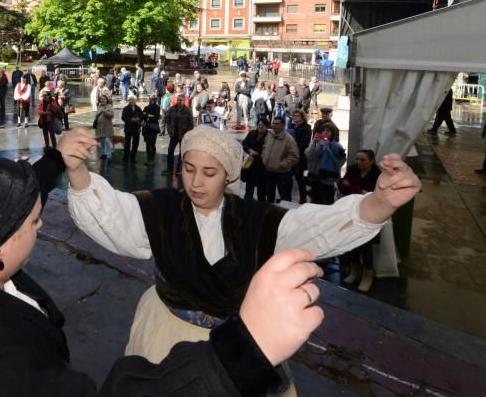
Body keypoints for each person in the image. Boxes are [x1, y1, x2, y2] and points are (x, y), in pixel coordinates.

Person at [0, 145, 323, 397]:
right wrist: (240, 356)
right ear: (0, 237)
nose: (38, 230)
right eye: (35, 223)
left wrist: (56, 158)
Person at [66, 126, 422, 378]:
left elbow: (315, 229)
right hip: (165, 336)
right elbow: (113, 216)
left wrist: (378, 203)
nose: (196, 181)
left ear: (229, 176)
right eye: (189, 169)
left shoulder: (256, 219)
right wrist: (77, 170)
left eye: (209, 172)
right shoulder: (160, 208)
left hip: (237, 344)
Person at [337, 150, 381, 293]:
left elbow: (374, 195)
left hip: (369, 214)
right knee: (353, 242)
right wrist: (359, 190)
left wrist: (353, 188)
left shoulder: (378, 175)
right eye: (358, 159)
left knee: (366, 246)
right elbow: (342, 185)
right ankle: (354, 272)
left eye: (363, 160)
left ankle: (368, 276)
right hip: (352, 211)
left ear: (372, 161)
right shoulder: (352, 169)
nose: (359, 162)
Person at [260, 116, 299, 203]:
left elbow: (294, 157)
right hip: (269, 171)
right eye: (273, 123)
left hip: (282, 174)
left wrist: (282, 165)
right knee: (269, 196)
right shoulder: (270, 135)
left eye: (277, 124)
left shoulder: (289, 140)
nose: (274, 125)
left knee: (285, 198)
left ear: (283, 125)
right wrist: (264, 157)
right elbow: (265, 147)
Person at [304, 131, 347, 205]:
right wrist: (313, 143)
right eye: (322, 131)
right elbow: (308, 155)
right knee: (315, 200)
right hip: (315, 176)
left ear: (333, 133)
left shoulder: (337, 146)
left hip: (329, 179)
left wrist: (328, 147)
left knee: (327, 201)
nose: (324, 133)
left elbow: (340, 162)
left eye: (327, 131)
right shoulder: (318, 144)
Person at [164, 93, 194, 173]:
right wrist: (169, 131)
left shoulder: (187, 110)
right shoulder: (172, 109)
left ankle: (179, 169)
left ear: (183, 101)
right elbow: (168, 120)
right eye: (177, 100)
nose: (178, 102)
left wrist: (188, 134)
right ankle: (169, 169)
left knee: (182, 152)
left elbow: (191, 124)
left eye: (180, 100)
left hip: (183, 134)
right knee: (170, 150)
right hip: (174, 134)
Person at [241, 120, 269, 202]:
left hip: (262, 166)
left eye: (263, 125)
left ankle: (261, 207)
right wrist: (249, 150)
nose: (260, 127)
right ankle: (247, 205)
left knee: (261, 190)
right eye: (259, 125)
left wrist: (259, 154)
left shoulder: (269, 136)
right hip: (250, 164)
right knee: (249, 188)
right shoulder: (252, 133)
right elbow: (244, 143)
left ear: (267, 127)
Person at [288, 110, 312, 204]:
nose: (295, 117)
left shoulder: (306, 128)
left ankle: (303, 199)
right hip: (292, 157)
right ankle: (288, 198)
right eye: (294, 115)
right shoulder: (293, 127)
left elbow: (304, 144)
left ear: (302, 117)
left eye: (297, 116)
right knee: (290, 178)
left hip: (301, 158)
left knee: (301, 179)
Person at [121, 95, 143, 163]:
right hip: (128, 128)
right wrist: (131, 119)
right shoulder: (125, 108)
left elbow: (141, 116)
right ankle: (126, 157)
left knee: (135, 143)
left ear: (135, 101)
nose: (131, 101)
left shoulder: (138, 108)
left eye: (132, 100)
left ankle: (133, 157)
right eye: (130, 99)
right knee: (127, 143)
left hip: (136, 128)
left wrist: (139, 119)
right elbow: (123, 118)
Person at [93, 95, 115, 161]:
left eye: (104, 99)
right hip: (99, 127)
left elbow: (111, 115)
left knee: (107, 141)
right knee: (102, 141)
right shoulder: (99, 107)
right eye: (101, 99)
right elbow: (96, 115)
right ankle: (103, 153)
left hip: (106, 127)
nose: (102, 100)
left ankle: (108, 154)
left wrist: (105, 111)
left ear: (106, 100)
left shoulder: (109, 106)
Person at [141, 95, 161, 165]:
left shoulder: (156, 107)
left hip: (152, 128)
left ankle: (151, 160)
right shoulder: (147, 107)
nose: (150, 100)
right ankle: (149, 159)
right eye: (150, 99)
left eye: (152, 99)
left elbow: (156, 117)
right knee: (148, 144)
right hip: (148, 128)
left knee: (152, 144)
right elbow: (143, 115)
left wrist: (147, 116)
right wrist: (148, 116)